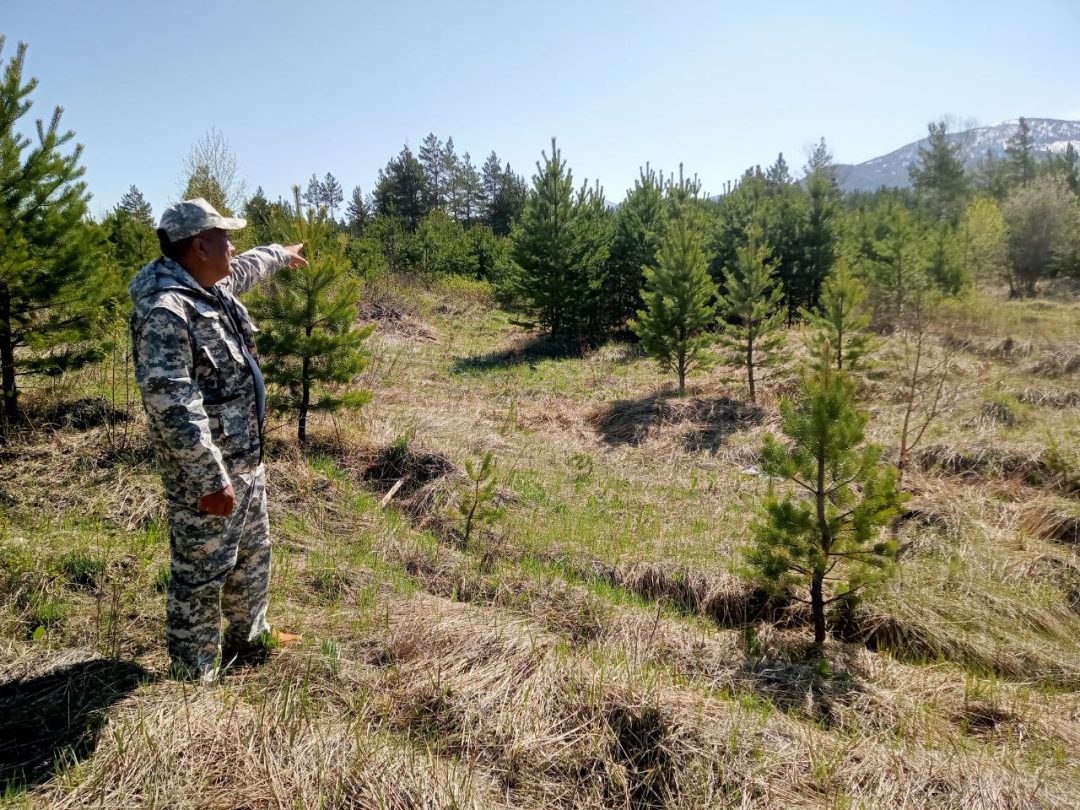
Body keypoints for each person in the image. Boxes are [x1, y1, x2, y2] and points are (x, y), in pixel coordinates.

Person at [129, 197, 307, 681]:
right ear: (200, 245)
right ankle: (194, 673)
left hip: (246, 459)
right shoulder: (167, 310)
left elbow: (246, 267)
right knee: (202, 574)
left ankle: (251, 636)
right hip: (207, 475)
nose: (233, 245)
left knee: (253, 553)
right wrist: (210, 478)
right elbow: (172, 403)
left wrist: (280, 253)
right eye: (225, 237)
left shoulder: (210, 284)